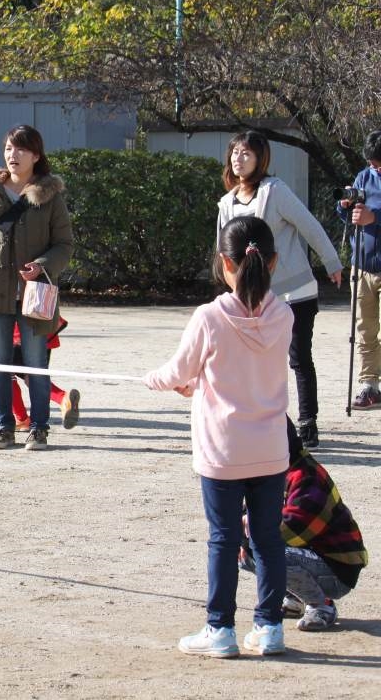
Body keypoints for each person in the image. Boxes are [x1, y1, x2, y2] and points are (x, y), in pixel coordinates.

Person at [145, 216, 292, 658]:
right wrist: (195, 382)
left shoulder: (209, 317)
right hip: (270, 449)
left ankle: (220, 629)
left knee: (224, 539)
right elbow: (235, 369)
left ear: (224, 263)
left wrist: (154, 380)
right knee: (268, 539)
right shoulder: (283, 314)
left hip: (223, 451)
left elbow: (178, 370)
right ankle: (269, 627)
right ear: (273, 262)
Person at [216, 130, 342, 449]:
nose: (238, 158)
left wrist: (332, 262)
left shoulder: (275, 191)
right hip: (251, 297)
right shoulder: (227, 203)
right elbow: (222, 251)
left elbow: (309, 225)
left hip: (293, 292)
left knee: (299, 358)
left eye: (246, 153)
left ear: (260, 159)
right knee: (252, 362)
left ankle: (308, 422)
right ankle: (260, 422)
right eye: (235, 152)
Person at [0, 124, 73, 451]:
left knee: (36, 363)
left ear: (36, 156)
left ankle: (39, 428)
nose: (13, 155)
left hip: (35, 293)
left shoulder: (50, 195)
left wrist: (42, 265)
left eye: (21, 149)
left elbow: (64, 244)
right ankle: (3, 428)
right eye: (9, 148)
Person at [239, 419, 368, 633]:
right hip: (309, 553)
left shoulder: (306, 475)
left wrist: (250, 530)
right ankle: (295, 598)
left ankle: (322, 605)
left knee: (266, 550)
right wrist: (243, 537)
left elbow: (293, 529)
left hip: (338, 566)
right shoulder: (272, 472)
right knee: (247, 552)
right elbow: (247, 511)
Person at [336, 129, 381, 411]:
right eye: (371, 163)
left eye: (378, 164)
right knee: (364, 329)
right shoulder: (364, 177)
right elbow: (349, 217)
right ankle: (369, 386)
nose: (374, 167)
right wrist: (345, 207)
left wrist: (374, 217)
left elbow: (370, 216)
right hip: (362, 266)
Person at [9, 317, 80, 431]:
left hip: (20, 329)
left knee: (5, 373)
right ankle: (63, 399)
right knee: (33, 377)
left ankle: (22, 418)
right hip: (46, 326)